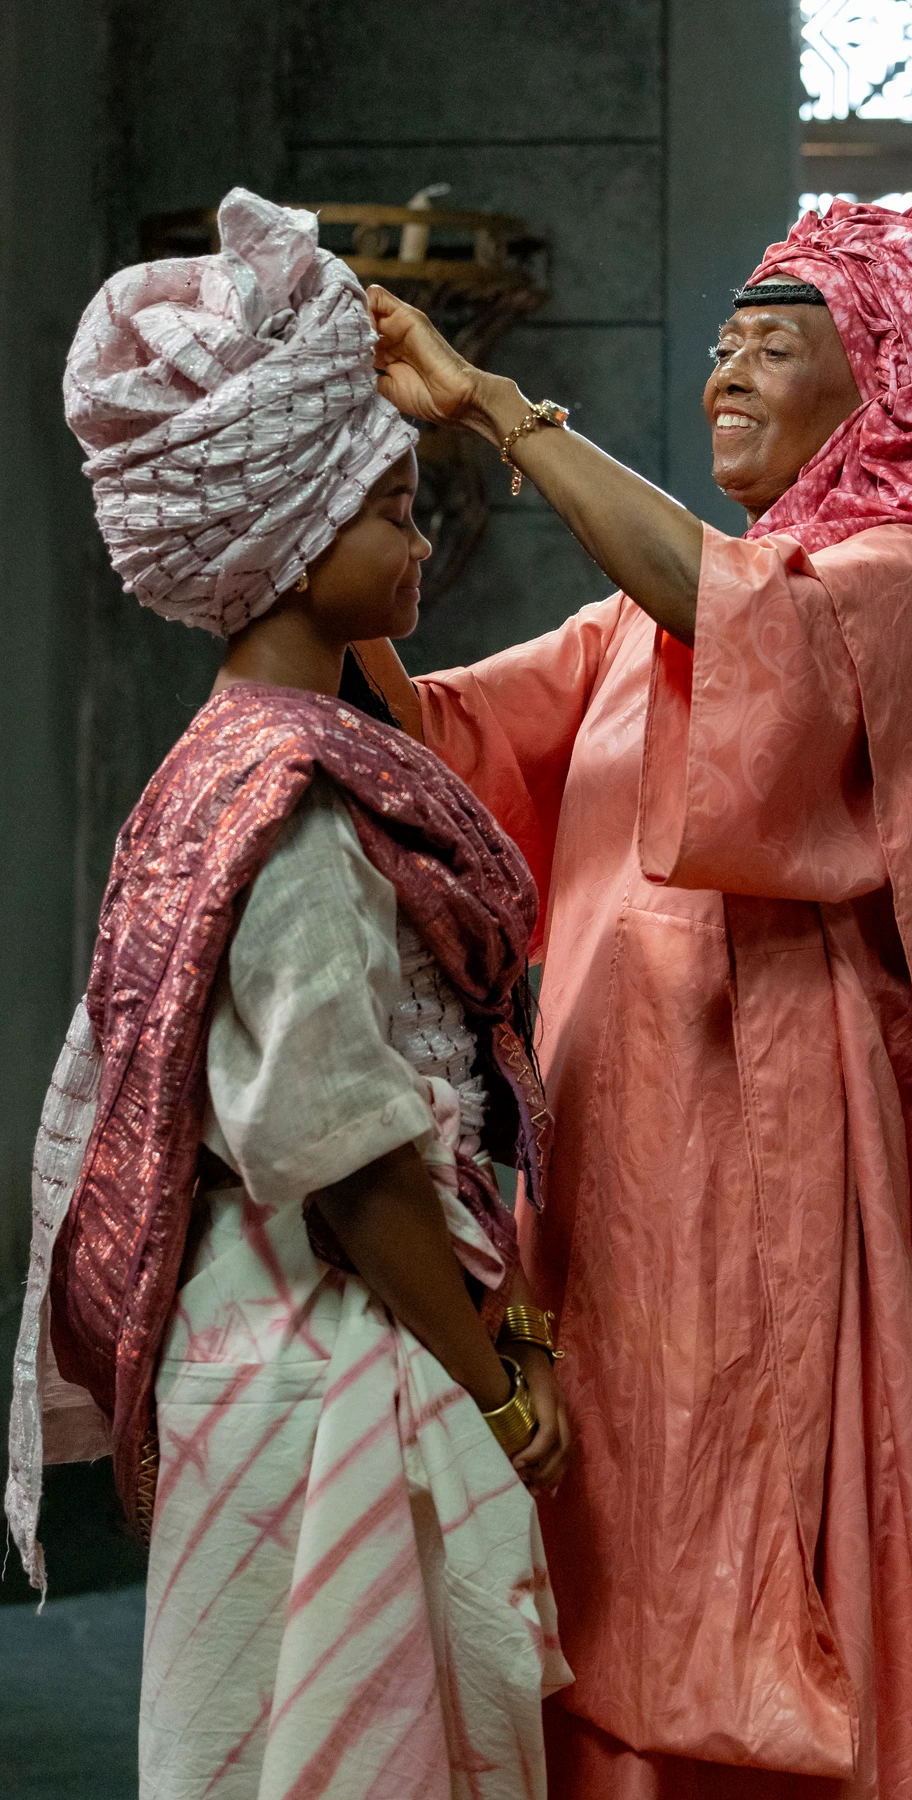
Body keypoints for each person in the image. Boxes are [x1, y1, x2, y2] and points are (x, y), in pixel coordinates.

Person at [356, 199, 912, 1800]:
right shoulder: (642, 616)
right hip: (620, 1153)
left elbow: (742, 621)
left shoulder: (901, 584)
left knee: (754, 1485)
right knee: (618, 1482)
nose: (723, 372)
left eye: (776, 343)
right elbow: (440, 738)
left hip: (775, 1143)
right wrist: (305, 524)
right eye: (718, 345)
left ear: (888, 379)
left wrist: (499, 407)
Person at [6, 188, 572, 1800]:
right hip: (325, 1370)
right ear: (299, 542)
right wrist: (498, 1387)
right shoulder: (297, 810)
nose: (416, 539)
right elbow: (340, 1152)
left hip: (258, 1351)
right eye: (394, 508)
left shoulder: (221, 763)